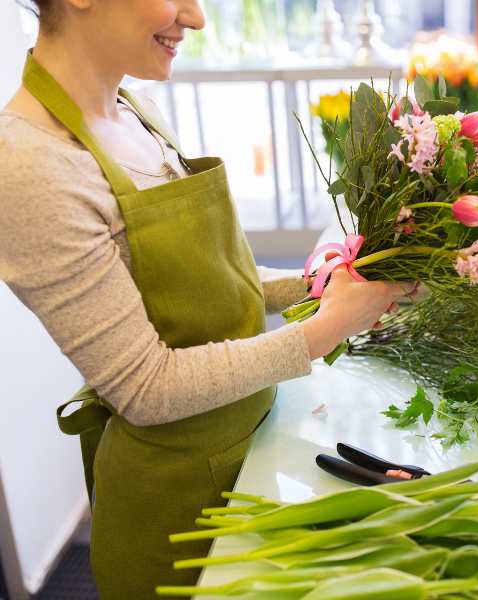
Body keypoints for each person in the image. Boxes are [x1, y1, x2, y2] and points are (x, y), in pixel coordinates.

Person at [0, 1, 414, 597]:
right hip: (178, 511)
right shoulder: (31, 165)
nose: (195, 17)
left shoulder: (135, 110)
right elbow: (146, 387)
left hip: (249, 448)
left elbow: (218, 285)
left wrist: (328, 282)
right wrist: (326, 328)